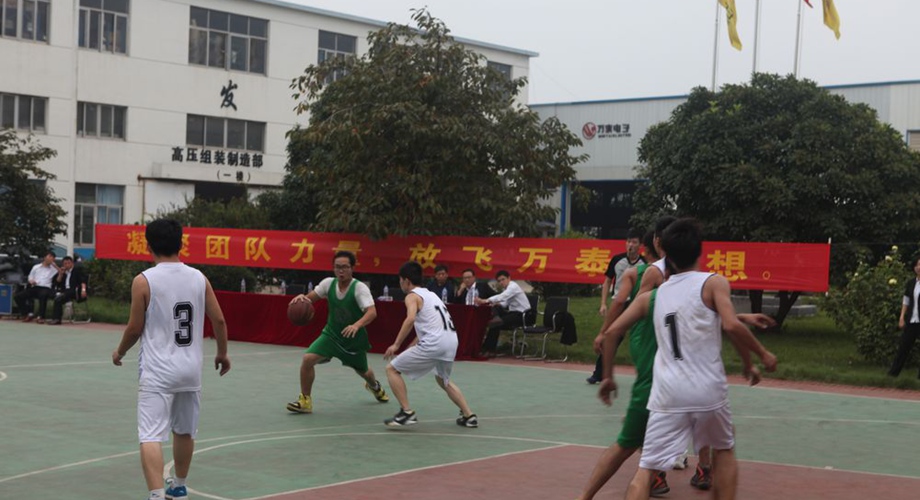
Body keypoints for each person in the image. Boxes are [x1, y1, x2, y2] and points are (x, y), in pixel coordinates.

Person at [578, 228, 774, 500]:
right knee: (724, 450)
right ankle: (706, 473)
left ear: (665, 254)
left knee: (646, 469)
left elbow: (612, 333)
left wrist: (608, 377)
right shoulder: (713, 283)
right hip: (707, 390)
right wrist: (761, 355)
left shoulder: (652, 296)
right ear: (700, 250)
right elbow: (725, 323)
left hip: (667, 393)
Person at [111, 219, 231, 500]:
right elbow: (219, 320)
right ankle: (178, 486)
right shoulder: (198, 278)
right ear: (181, 243)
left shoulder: (144, 280)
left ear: (148, 245)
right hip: (190, 370)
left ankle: (155, 495)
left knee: (151, 435)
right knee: (185, 431)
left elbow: (134, 328)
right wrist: (222, 353)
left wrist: (120, 352)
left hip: (158, 371)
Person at [286, 250, 389, 414]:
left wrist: (356, 325)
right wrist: (302, 298)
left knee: (365, 372)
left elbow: (372, 312)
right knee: (307, 360)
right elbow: (310, 299)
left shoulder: (359, 288)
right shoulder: (328, 284)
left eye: (345, 267)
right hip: (331, 336)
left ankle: (375, 387)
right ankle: (305, 401)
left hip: (352, 340)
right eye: (337, 267)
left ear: (352, 268)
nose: (341, 270)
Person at [382, 261, 478, 428]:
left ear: (406, 280)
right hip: (451, 341)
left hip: (435, 343)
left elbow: (410, 319)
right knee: (443, 380)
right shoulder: (432, 295)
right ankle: (469, 415)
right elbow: (430, 327)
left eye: (400, 280)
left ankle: (406, 412)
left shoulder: (412, 296)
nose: (400, 283)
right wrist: (411, 346)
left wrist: (396, 344)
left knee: (392, 369)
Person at [588, 229, 646, 384]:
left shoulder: (645, 264)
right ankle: (599, 373)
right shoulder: (617, 260)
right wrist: (603, 303)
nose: (630, 245)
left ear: (640, 245)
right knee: (610, 336)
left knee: (641, 339)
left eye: (634, 242)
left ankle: (645, 374)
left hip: (636, 304)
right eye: (628, 242)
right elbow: (607, 281)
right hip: (618, 303)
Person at [475, 269, 531, 356]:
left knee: (495, 323)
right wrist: (496, 304)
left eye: (503, 279)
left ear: (509, 278)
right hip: (513, 314)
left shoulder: (513, 286)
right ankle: (488, 349)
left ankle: (488, 349)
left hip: (523, 315)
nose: (501, 282)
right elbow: (505, 303)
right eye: (499, 281)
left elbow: (502, 296)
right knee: (495, 318)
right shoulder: (507, 289)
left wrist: (485, 300)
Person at [888, 254, 920, 378]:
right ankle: (893, 373)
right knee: (904, 346)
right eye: (917, 265)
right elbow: (906, 300)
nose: (918, 267)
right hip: (912, 319)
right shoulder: (911, 283)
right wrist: (902, 317)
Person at [13, 251, 58, 323]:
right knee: (18, 297)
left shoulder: (53, 269)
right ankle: (26, 314)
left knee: (43, 295)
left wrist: (55, 265)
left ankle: (41, 316)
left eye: (53, 258)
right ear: (45, 257)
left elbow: (61, 272)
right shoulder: (36, 267)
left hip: (46, 287)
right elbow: (30, 276)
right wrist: (31, 280)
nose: (51, 259)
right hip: (35, 286)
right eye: (49, 256)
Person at [47, 255, 88, 325]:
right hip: (64, 291)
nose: (67, 265)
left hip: (74, 291)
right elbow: (57, 282)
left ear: (72, 263)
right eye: (65, 264)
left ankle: (57, 319)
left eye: (69, 263)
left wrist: (83, 290)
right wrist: (60, 274)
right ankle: (54, 318)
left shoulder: (77, 271)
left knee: (58, 298)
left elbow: (83, 281)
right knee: (56, 297)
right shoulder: (64, 272)